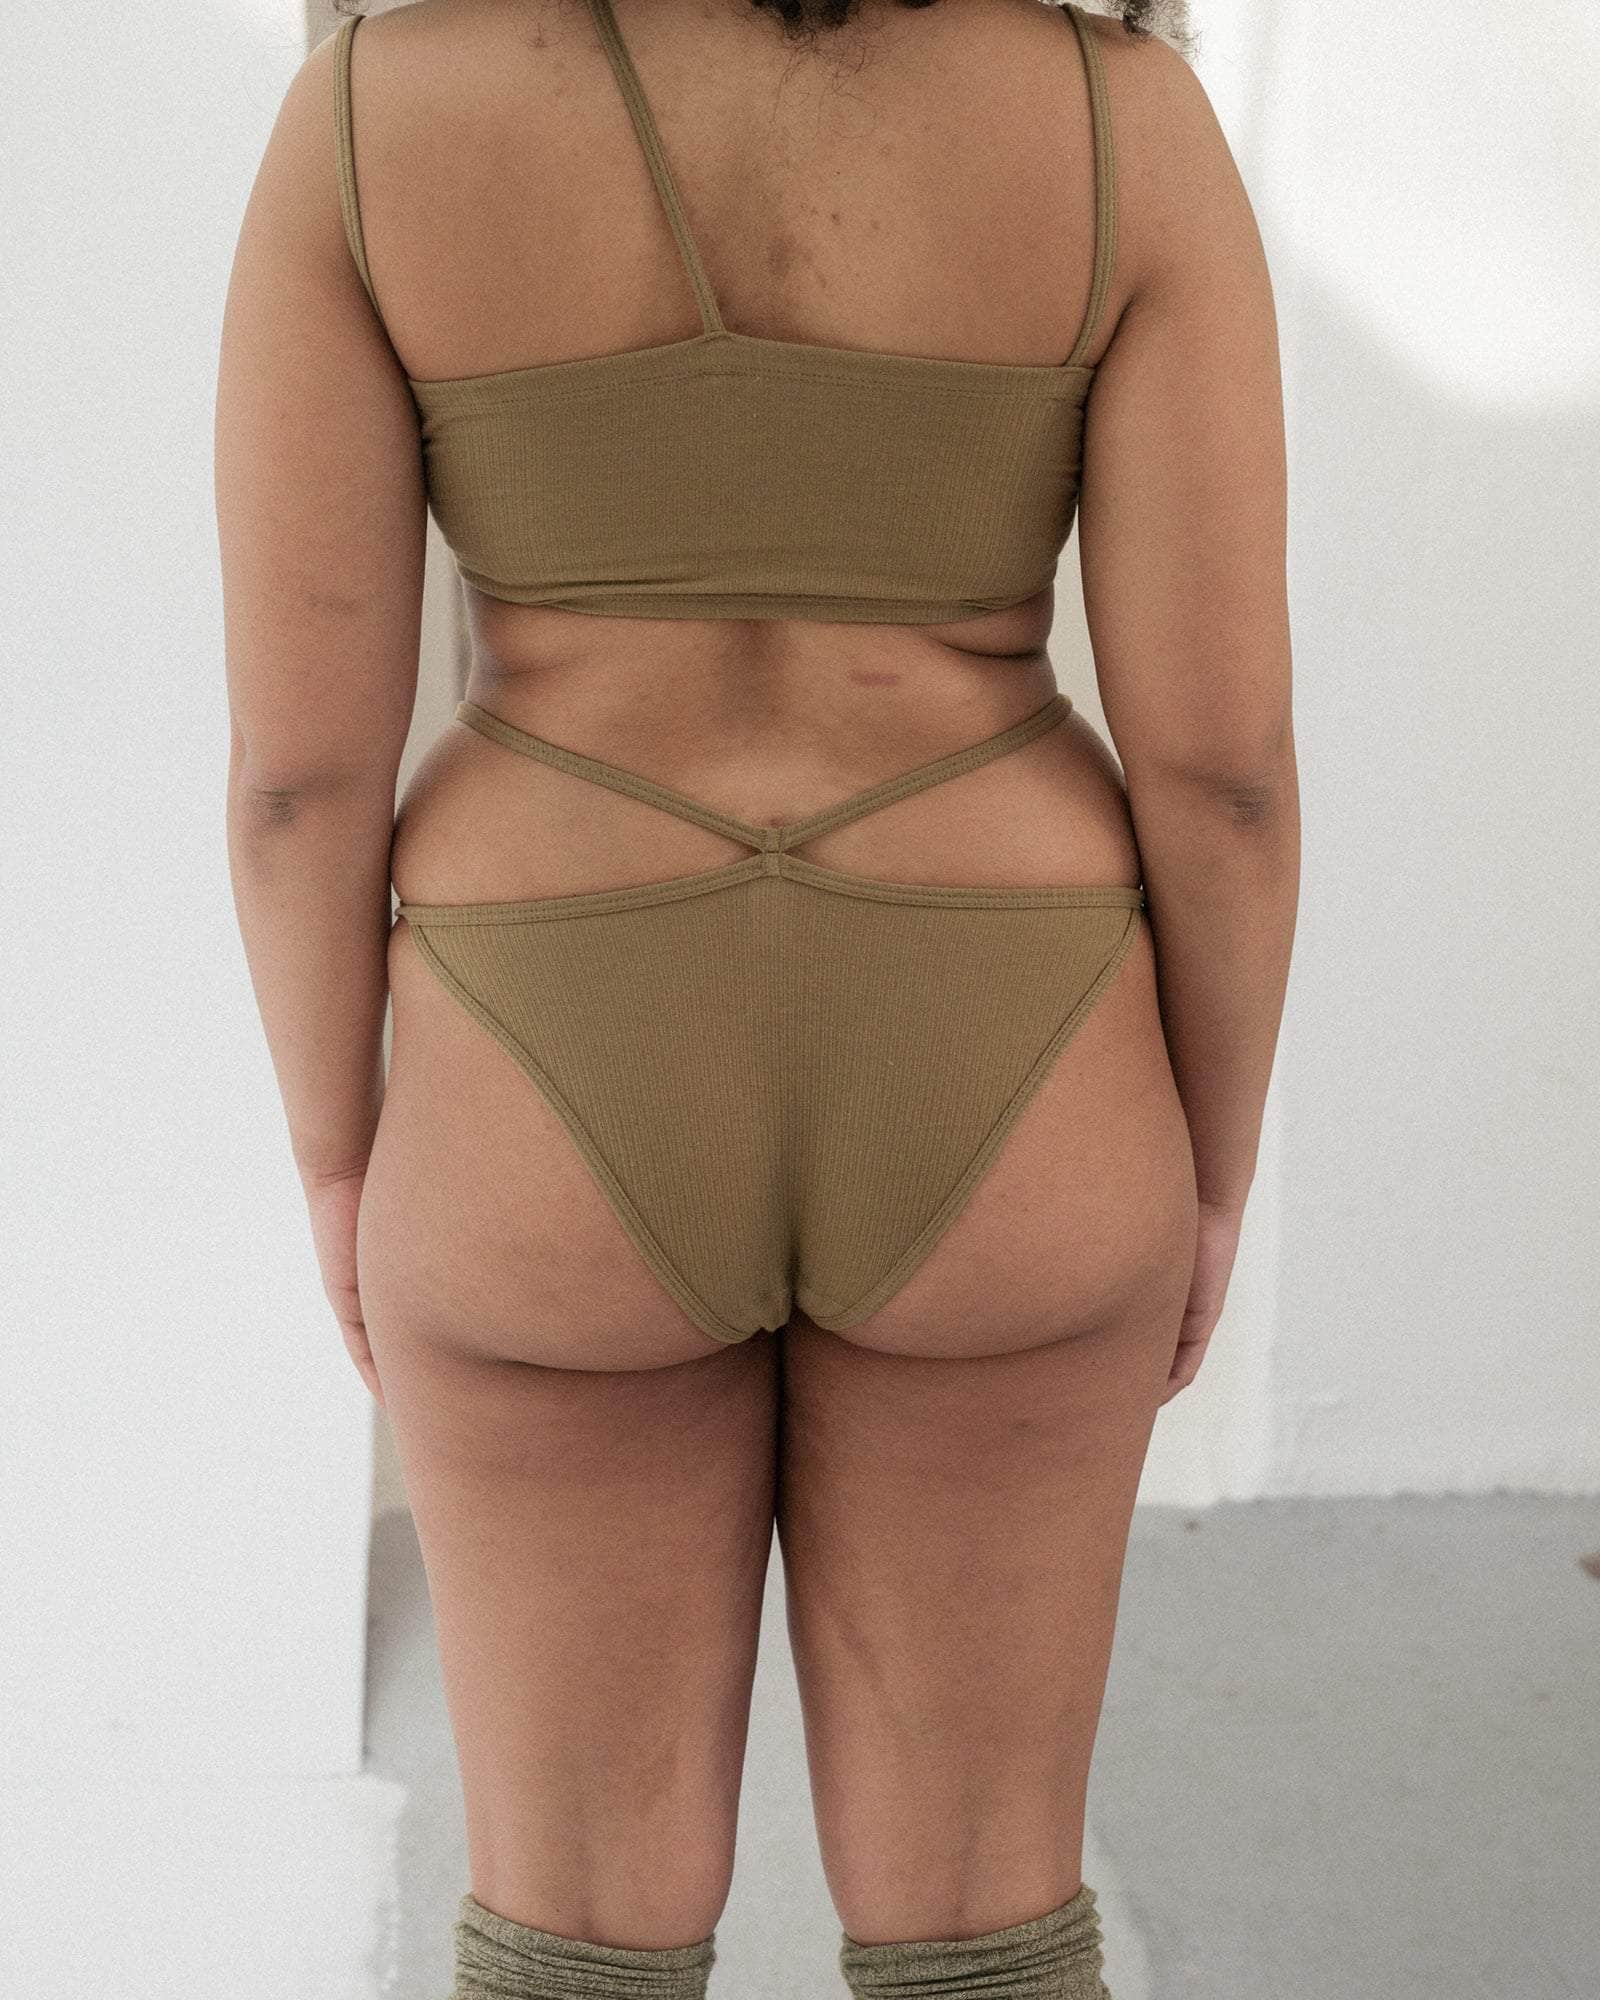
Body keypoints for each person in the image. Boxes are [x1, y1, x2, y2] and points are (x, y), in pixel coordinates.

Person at [215, 0, 1297, 1992]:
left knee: (571, 1937)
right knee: (986, 1926)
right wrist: (1210, 1163)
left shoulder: (371, 115)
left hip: (544, 1047)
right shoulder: (1120, 118)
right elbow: (1222, 775)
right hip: (1011, 1028)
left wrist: (343, 1154)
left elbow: (299, 784)